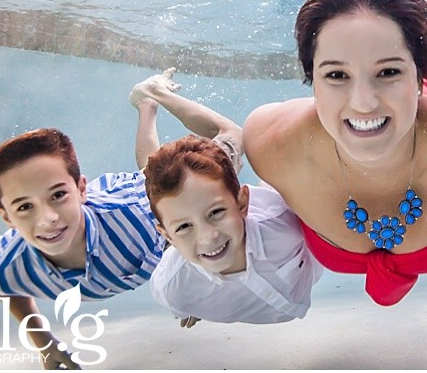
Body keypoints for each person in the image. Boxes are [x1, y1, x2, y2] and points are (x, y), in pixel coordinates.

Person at [243, 0, 427, 306]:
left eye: (388, 72)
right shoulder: (270, 145)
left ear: (418, 75)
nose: (363, 101)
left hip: (426, 115)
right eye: (336, 75)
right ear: (311, 81)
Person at [129, 70, 322, 326]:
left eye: (216, 213)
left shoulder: (282, 219)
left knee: (234, 135)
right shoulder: (172, 287)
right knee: (153, 184)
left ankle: (156, 92)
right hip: (185, 231)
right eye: (184, 227)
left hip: (233, 198)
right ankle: (147, 103)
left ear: (243, 203)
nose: (209, 236)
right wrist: (192, 302)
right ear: (167, 235)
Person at [0, 127, 164, 370]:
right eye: (24, 207)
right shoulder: (7, 266)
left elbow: (186, 217)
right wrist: (44, 343)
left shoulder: (136, 218)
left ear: (81, 189)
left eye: (58, 195)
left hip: (139, 196)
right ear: (6, 217)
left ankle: (148, 104)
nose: (47, 218)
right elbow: (4, 285)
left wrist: (188, 279)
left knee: (155, 170)